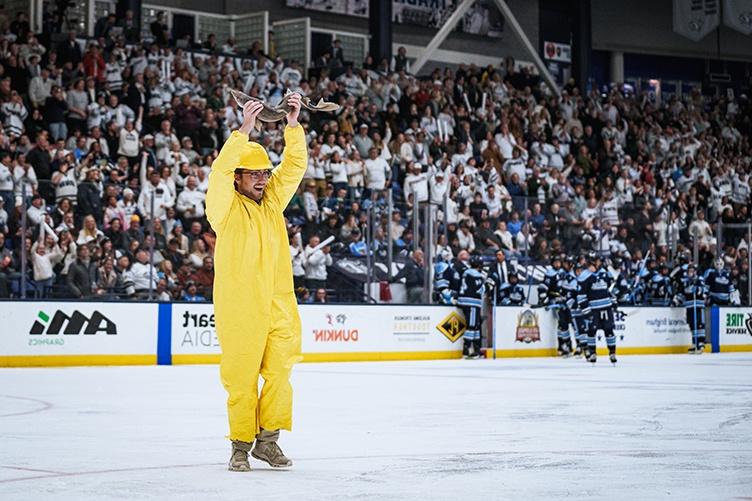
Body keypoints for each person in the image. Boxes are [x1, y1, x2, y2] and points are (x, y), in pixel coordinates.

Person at [206, 94, 306, 472]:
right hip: (240, 307)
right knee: (242, 378)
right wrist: (243, 131)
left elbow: (294, 165)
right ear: (239, 177)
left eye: (265, 173)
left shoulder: (273, 201)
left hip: (279, 302)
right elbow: (218, 173)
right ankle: (239, 446)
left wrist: (292, 125)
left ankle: (268, 441)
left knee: (281, 373)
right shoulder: (225, 207)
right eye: (255, 173)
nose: (264, 178)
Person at [577, 253, 617, 364]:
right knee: (591, 331)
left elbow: (610, 290)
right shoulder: (584, 276)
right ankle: (592, 352)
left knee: (609, 330)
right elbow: (581, 296)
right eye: (598, 260)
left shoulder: (605, 273)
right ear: (593, 262)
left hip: (606, 308)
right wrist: (586, 311)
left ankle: (612, 352)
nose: (600, 262)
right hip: (593, 310)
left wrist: (613, 303)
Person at [458, 254, 487, 359]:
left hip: (466, 301)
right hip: (472, 302)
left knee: (475, 325)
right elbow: (480, 289)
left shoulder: (466, 273)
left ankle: (476, 348)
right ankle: (467, 349)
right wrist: (488, 285)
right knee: (472, 326)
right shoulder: (476, 275)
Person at [679, 263, 707, 354]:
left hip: (698, 305)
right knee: (692, 324)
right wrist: (677, 299)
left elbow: (704, 290)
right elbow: (683, 292)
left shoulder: (699, 279)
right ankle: (694, 343)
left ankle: (701, 342)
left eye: (691, 271)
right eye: (688, 271)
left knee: (699, 324)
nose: (690, 273)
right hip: (689, 305)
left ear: (695, 272)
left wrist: (698, 289)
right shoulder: (685, 281)